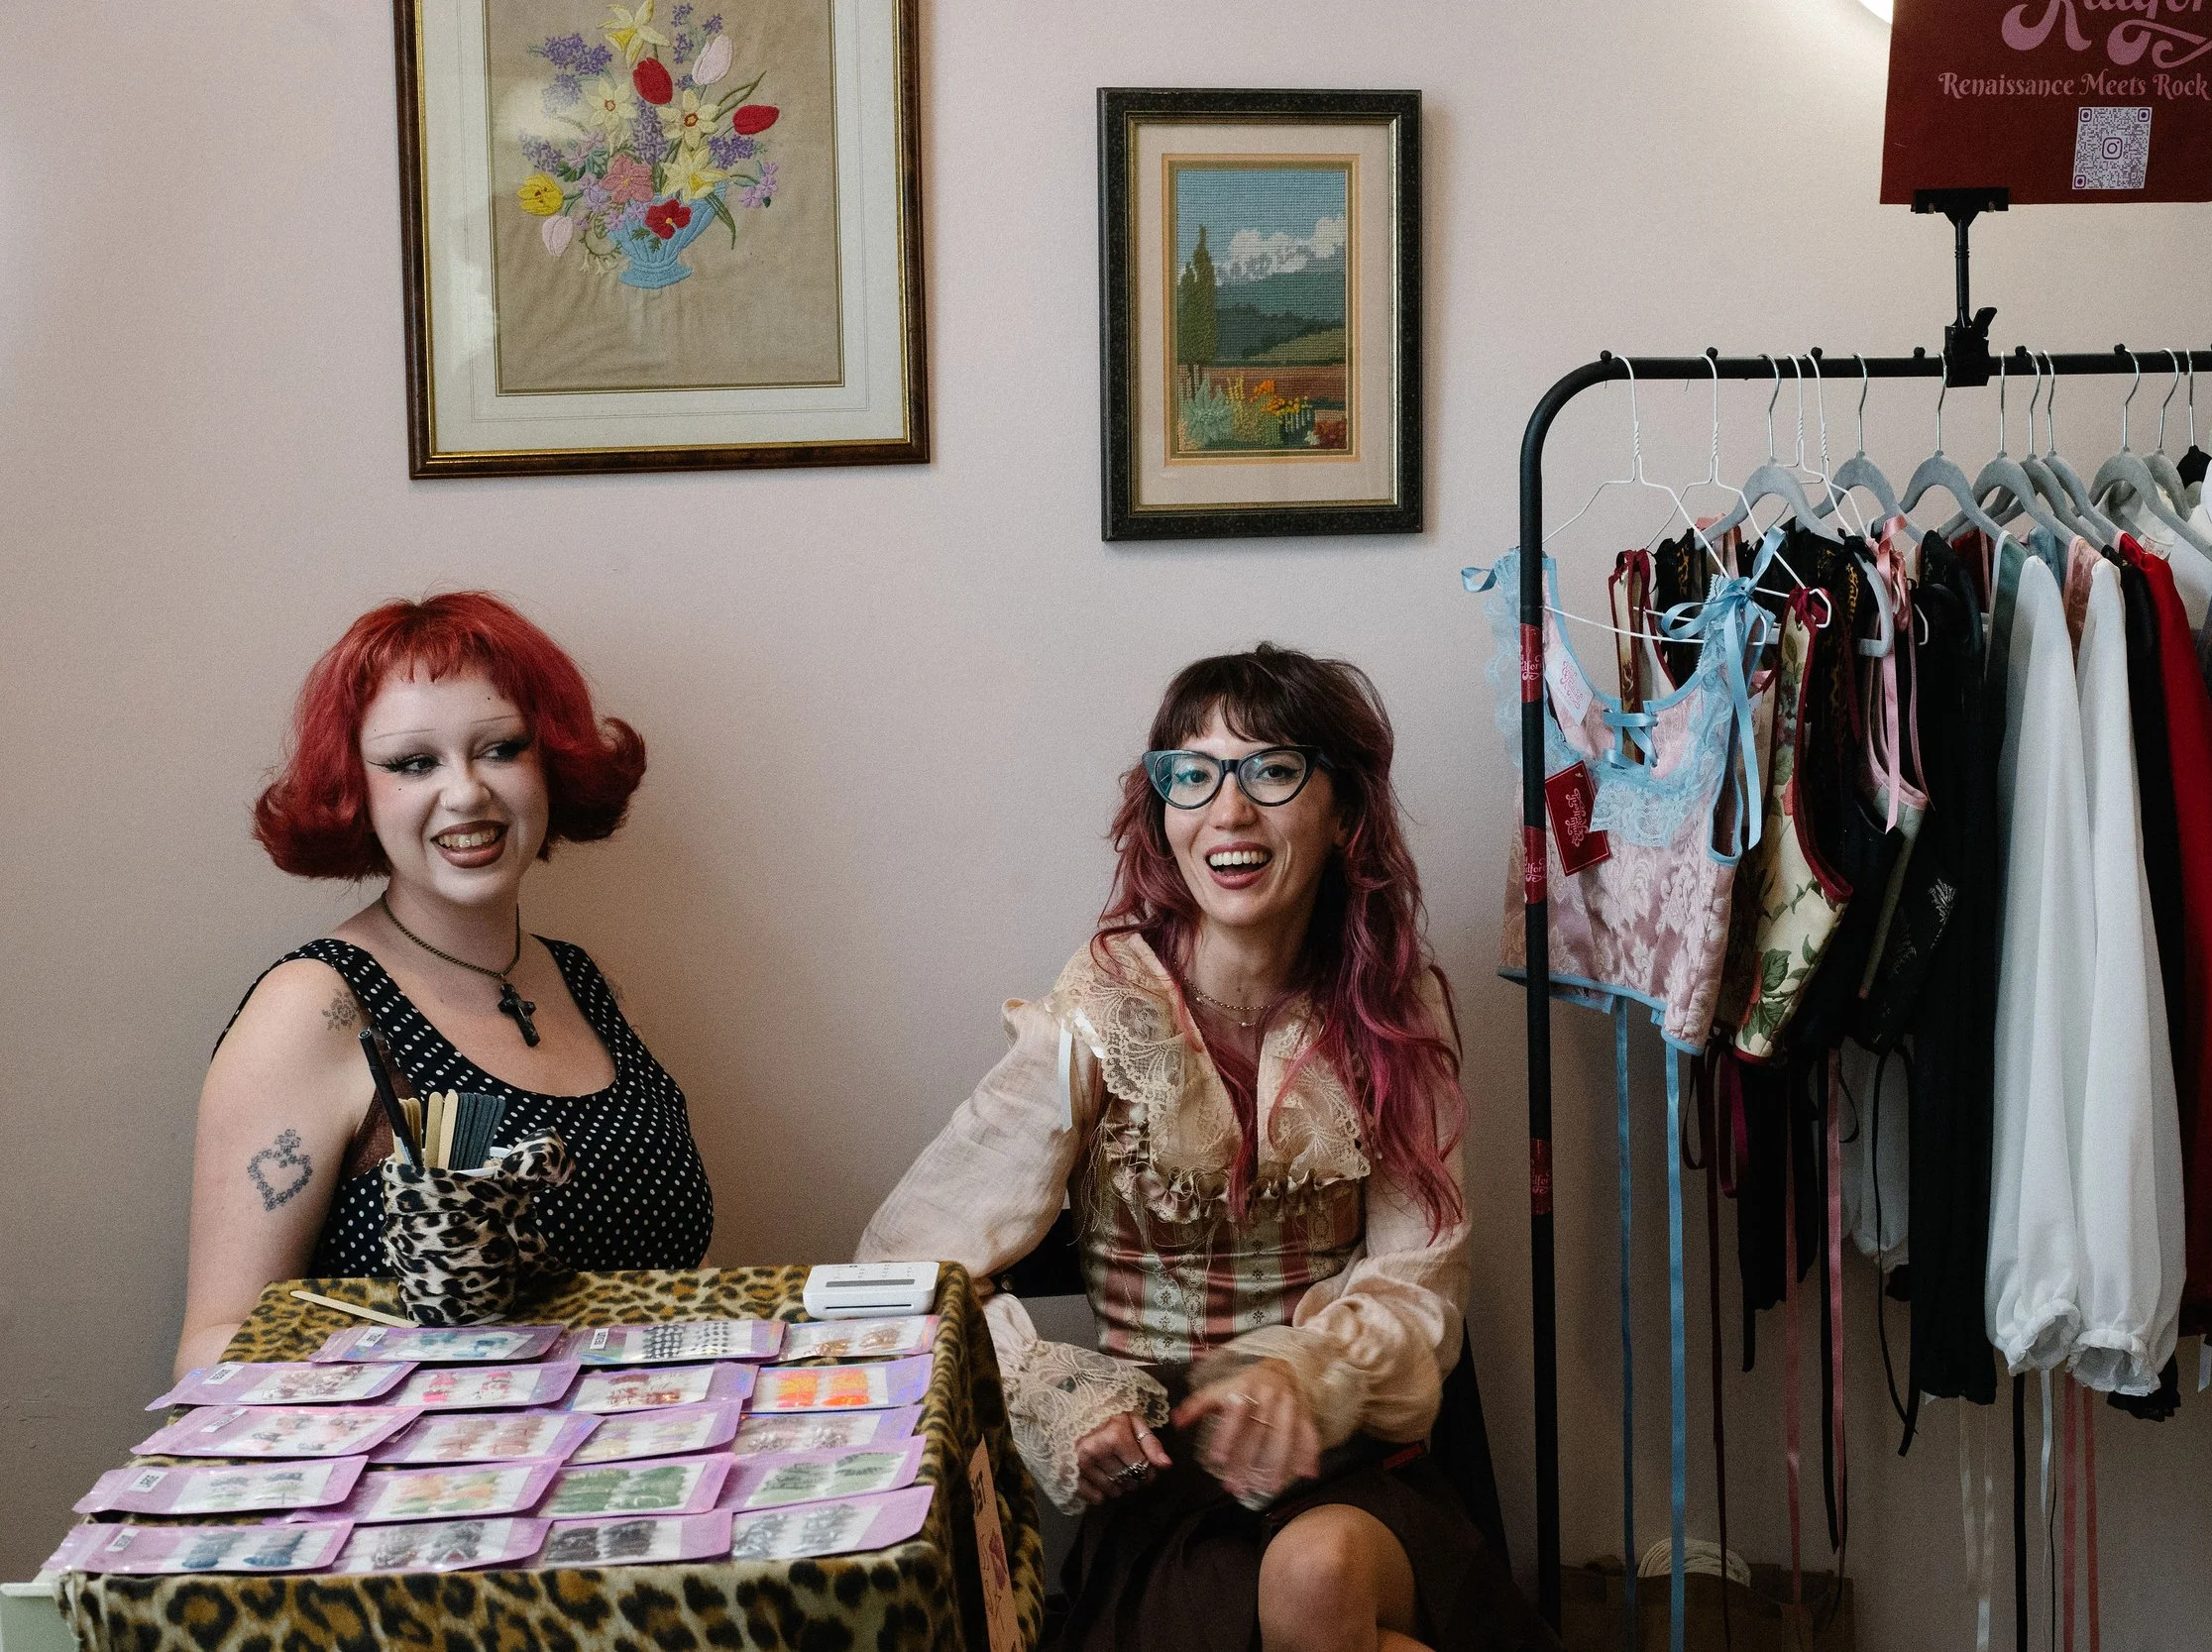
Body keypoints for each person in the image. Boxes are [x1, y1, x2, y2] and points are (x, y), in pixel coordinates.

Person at [859, 645, 1555, 1652]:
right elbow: (903, 1262)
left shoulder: (1390, 1013)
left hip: (1354, 1465)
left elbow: (1419, 1284)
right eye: (1192, 774)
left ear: (1344, 811)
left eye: (1270, 770)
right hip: (1169, 1490)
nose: (1227, 810)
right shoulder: (1096, 1015)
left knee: (1317, 1576)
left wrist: (1304, 1371)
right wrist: (1065, 1403)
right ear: (1163, 812)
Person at [173, 593, 712, 1376]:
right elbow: (215, 1351)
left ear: (548, 763)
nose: (465, 793)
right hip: (426, 1490)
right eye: (413, 762)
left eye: (500, 749)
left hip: (654, 1466)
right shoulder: (317, 1005)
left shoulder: (586, 983)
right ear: (356, 787)